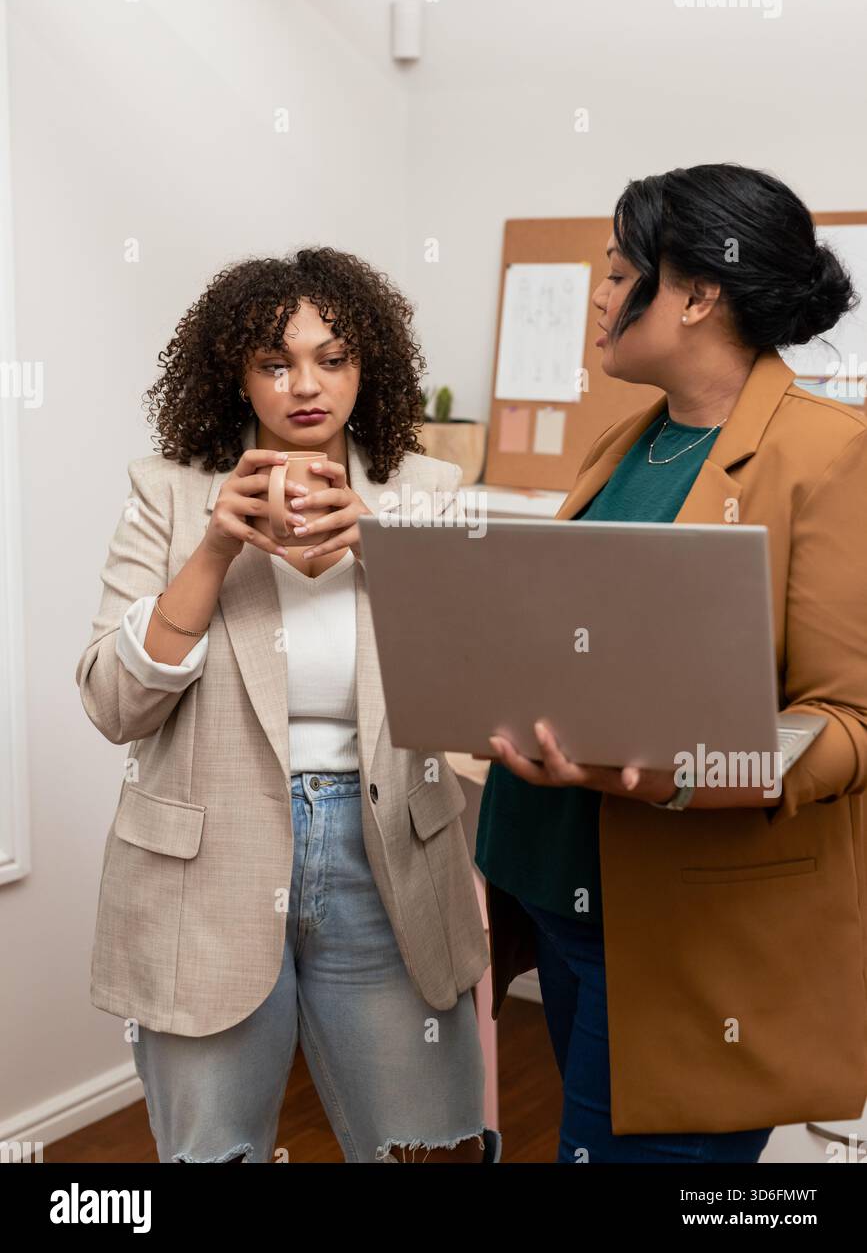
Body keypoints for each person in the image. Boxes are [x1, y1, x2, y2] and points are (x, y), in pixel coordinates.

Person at [475, 164, 867, 1163]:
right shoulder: (626, 442)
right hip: (557, 898)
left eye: (618, 274)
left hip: (682, 934)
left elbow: (848, 724)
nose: (599, 298)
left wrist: (683, 773)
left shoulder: (831, 454)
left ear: (696, 294)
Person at [77, 246, 501, 1164]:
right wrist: (213, 550)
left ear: (366, 366)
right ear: (234, 374)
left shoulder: (425, 493)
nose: (306, 386)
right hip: (205, 867)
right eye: (275, 362)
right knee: (215, 1151)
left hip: (388, 858)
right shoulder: (168, 491)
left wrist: (387, 551)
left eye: (332, 359)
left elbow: (479, 695)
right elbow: (114, 705)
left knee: (431, 1146)